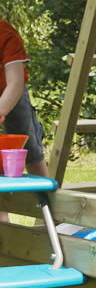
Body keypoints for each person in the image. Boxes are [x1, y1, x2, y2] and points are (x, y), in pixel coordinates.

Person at [0, 19, 48, 222]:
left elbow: (16, 82)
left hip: (11, 91)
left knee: (28, 147)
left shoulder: (6, 34)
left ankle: (47, 212)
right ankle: (3, 222)